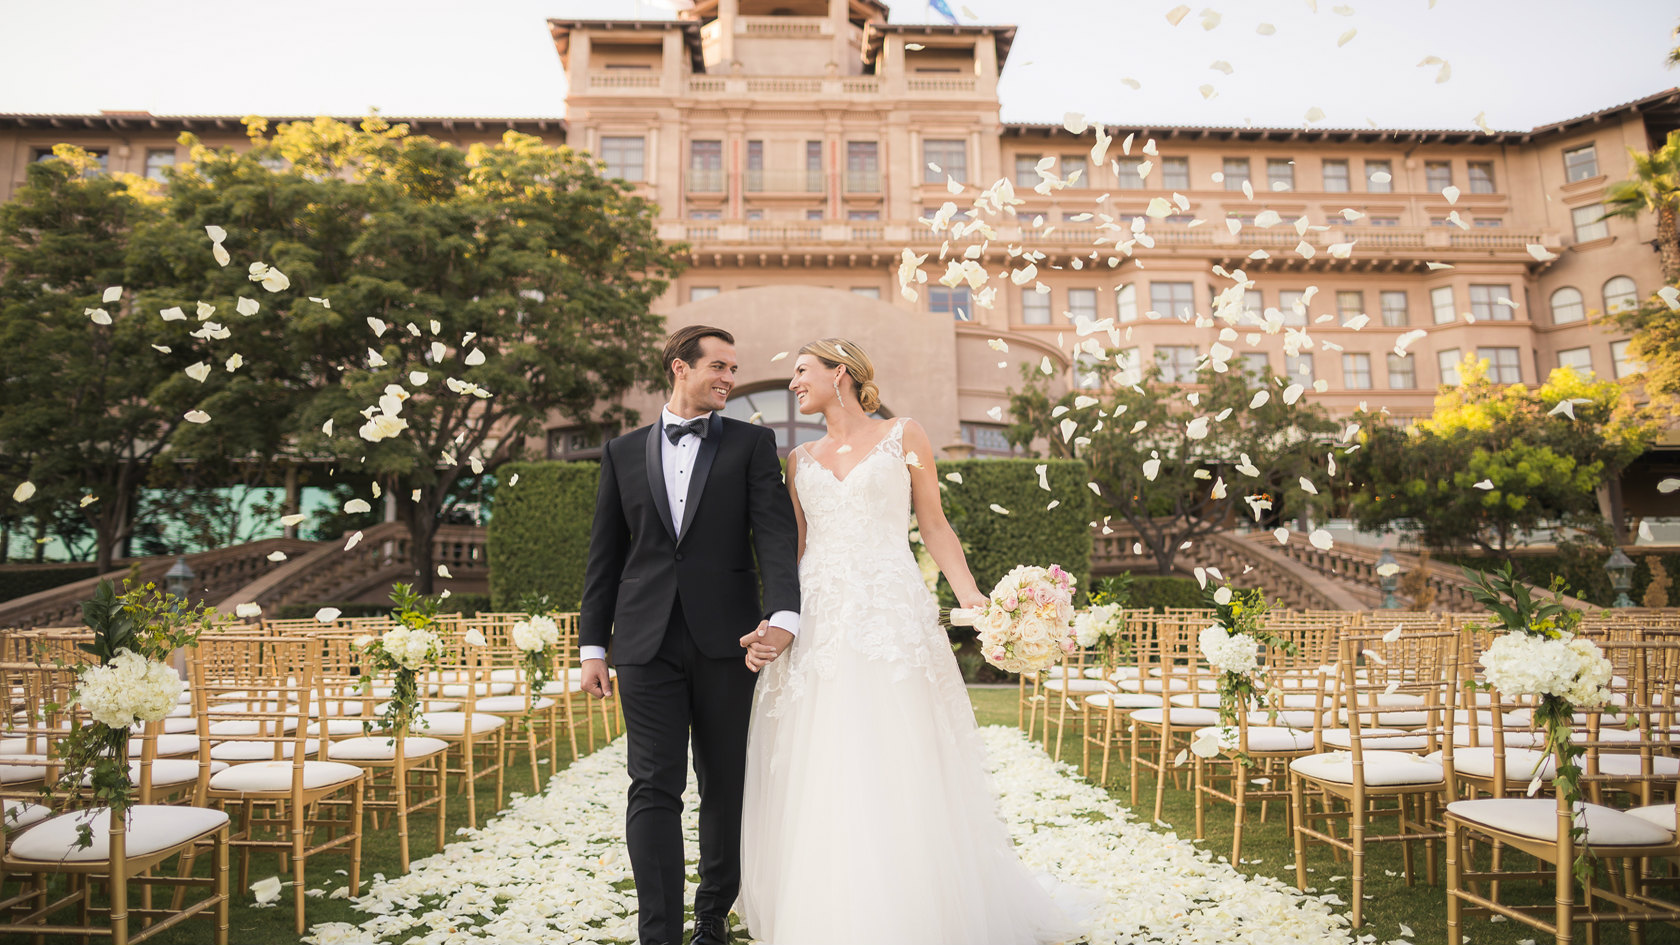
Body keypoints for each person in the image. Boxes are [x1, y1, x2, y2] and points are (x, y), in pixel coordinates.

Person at [737, 338, 1087, 945]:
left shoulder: (906, 435)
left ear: (837, 372)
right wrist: (778, 619)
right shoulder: (798, 458)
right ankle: (826, 907)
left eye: (801, 371)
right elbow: (792, 550)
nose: (793, 383)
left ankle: (916, 906)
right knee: (820, 749)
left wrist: (977, 601)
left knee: (899, 748)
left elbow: (934, 525)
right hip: (821, 616)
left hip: (892, 612)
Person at [579, 325, 800, 945]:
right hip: (644, 644)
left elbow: (774, 536)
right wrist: (593, 646)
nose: (730, 378)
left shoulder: (753, 445)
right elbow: (605, 556)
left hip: (729, 642)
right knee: (653, 784)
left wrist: (783, 616)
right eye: (720, 366)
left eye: (734, 367)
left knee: (724, 782)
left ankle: (711, 919)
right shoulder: (622, 451)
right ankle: (659, 932)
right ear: (680, 367)